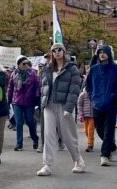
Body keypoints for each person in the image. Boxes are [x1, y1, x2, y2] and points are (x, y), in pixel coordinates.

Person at [36, 43, 85, 176]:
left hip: (64, 105)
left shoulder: (72, 68)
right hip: (49, 105)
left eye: (59, 50)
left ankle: (78, 160)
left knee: (68, 135)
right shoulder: (47, 68)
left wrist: (69, 108)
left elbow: (74, 89)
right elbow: (43, 87)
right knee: (48, 134)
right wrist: (42, 103)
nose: (57, 52)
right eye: (54, 50)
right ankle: (47, 164)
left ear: (64, 52)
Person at [85, 45, 117, 166]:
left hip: (111, 104)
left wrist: (116, 96)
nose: (102, 54)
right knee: (100, 129)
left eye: (104, 52)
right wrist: (92, 96)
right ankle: (111, 145)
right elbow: (88, 85)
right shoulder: (94, 69)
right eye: (100, 52)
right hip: (97, 104)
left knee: (108, 130)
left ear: (109, 53)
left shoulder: (116, 69)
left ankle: (105, 155)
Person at [7, 56, 40, 151]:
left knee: (30, 120)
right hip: (17, 101)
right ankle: (19, 143)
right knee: (19, 122)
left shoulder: (32, 73)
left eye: (27, 63)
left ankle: (35, 138)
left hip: (29, 102)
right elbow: (10, 88)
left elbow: (37, 86)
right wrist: (9, 100)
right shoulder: (14, 74)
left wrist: (37, 99)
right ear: (19, 64)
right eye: (24, 63)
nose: (26, 65)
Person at [77, 86, 95, 152]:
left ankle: (90, 144)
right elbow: (79, 105)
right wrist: (81, 114)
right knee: (86, 131)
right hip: (85, 115)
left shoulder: (94, 94)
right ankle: (90, 140)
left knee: (90, 130)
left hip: (92, 116)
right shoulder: (82, 95)